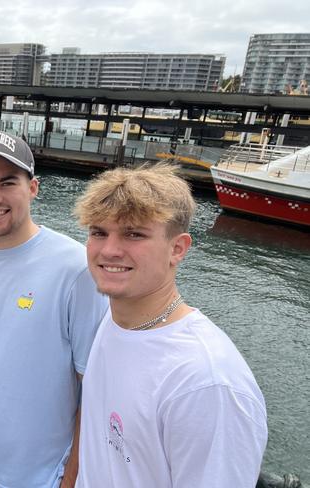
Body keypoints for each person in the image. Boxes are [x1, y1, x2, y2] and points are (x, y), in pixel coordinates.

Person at [73, 164, 267, 488]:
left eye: (134, 233)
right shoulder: (114, 319)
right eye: (98, 232)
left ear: (177, 248)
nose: (109, 250)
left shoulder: (206, 383)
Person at [0, 129, 108, 488]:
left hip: (39, 475)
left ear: (33, 188)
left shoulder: (76, 269)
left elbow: (93, 388)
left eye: (7, 182)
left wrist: (71, 477)